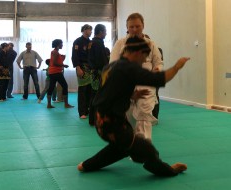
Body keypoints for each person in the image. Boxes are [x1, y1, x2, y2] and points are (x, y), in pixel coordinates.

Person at [77, 36, 189, 177]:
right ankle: (169, 171)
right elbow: (159, 79)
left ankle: (86, 166)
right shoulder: (128, 68)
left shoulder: (111, 66)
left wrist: (132, 95)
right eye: (144, 57)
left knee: (122, 148)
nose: (143, 61)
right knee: (147, 149)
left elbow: (110, 91)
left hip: (101, 121)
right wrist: (177, 66)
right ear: (137, 53)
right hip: (113, 125)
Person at [110, 13, 163, 140]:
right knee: (129, 117)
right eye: (131, 27)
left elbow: (158, 62)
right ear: (127, 27)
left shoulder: (150, 44)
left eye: (137, 26)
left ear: (143, 26)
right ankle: (133, 145)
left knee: (143, 115)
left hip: (146, 85)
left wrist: (157, 70)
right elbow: (112, 64)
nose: (134, 29)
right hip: (125, 86)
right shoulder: (120, 43)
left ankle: (145, 147)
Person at [88, 24, 109, 125]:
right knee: (98, 96)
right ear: (100, 32)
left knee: (94, 95)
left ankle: (93, 119)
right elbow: (102, 60)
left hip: (94, 72)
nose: (106, 33)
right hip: (99, 73)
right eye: (105, 31)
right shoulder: (98, 43)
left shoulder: (93, 42)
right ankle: (96, 119)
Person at [71, 24, 93, 119]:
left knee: (89, 89)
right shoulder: (78, 41)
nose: (91, 32)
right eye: (89, 30)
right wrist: (78, 68)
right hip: (81, 66)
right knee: (83, 89)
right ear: (84, 30)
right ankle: (82, 112)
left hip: (90, 68)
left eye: (91, 30)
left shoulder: (90, 42)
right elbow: (74, 56)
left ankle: (87, 109)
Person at [46, 39, 74, 109]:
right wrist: (63, 65)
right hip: (56, 72)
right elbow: (55, 63)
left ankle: (49, 104)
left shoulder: (54, 52)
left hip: (52, 72)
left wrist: (62, 59)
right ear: (58, 45)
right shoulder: (55, 52)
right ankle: (66, 104)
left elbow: (55, 61)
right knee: (65, 86)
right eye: (61, 44)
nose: (62, 45)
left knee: (51, 87)